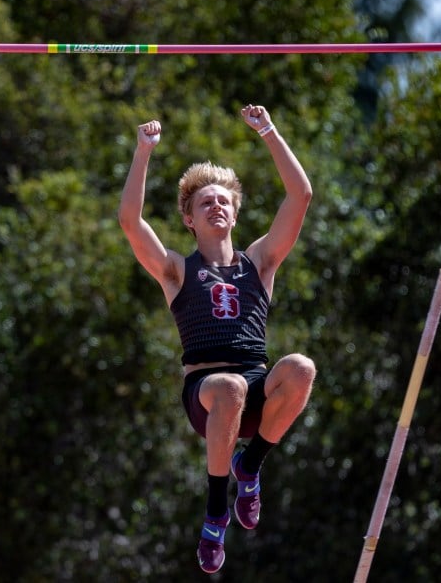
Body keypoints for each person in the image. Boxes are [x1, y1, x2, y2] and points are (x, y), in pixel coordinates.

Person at [118, 104, 316, 574]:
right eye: (205, 202)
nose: (216, 205)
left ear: (235, 211)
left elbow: (301, 195)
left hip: (256, 389)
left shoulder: (260, 262)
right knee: (230, 386)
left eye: (223, 200)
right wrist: (144, 151)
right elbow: (130, 221)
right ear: (189, 219)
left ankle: (250, 466)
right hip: (207, 394)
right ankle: (214, 512)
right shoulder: (176, 270)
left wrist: (268, 130)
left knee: (301, 368)